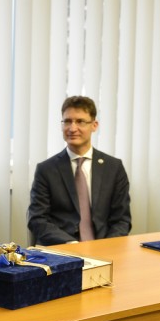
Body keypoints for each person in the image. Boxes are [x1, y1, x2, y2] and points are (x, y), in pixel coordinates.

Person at [27, 96, 132, 246]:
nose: (72, 128)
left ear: (94, 125)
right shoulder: (46, 170)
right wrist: (71, 244)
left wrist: (105, 247)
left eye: (80, 121)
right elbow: (37, 219)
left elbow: (122, 220)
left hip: (104, 248)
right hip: (63, 249)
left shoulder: (114, 168)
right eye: (67, 121)